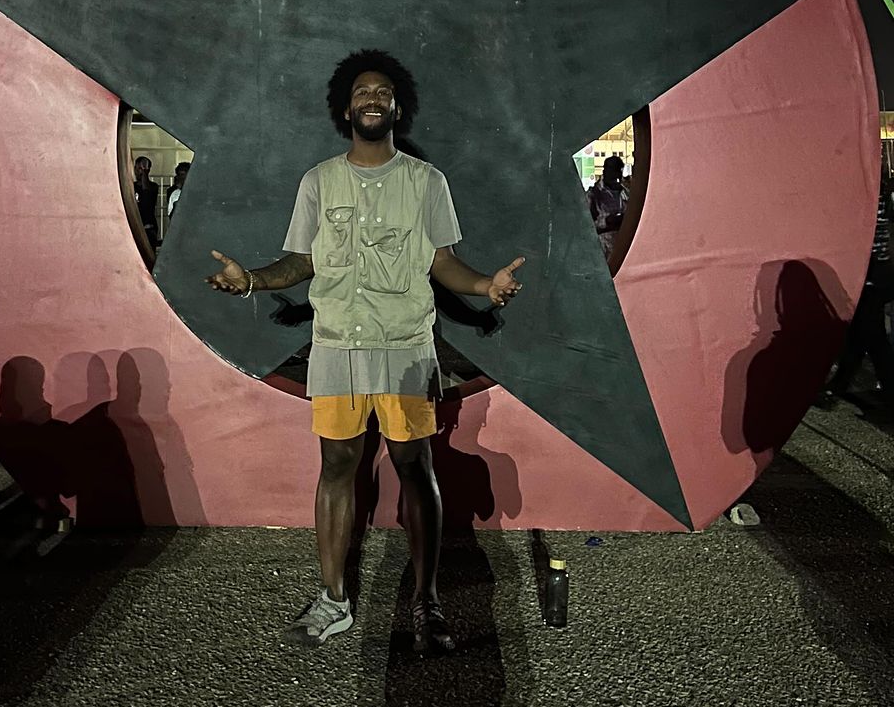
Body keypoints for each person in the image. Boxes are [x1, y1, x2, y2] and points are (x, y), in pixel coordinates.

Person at [205, 50, 524, 652]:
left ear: (398, 108)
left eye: (382, 92)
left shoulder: (426, 182)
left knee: (415, 467)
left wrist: (486, 286)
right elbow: (302, 261)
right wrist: (251, 280)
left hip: (404, 347)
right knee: (336, 468)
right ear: (345, 109)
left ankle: (427, 602)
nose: (371, 99)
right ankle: (333, 601)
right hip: (335, 348)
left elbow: (442, 262)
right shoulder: (318, 181)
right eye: (361, 92)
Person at [820, 165, 894, 422]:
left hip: (871, 273)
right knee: (862, 335)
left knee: (872, 337)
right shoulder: (873, 186)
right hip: (876, 271)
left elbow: (861, 231)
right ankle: (837, 386)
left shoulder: (865, 189)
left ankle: (886, 394)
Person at [588, 153, 628, 261]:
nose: (616, 175)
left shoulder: (626, 193)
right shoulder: (594, 194)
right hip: (602, 249)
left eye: (618, 171)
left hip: (624, 247)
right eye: (612, 170)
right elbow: (587, 225)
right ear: (605, 171)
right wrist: (607, 221)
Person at [133, 154, 159, 249]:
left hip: (148, 228)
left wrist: (144, 173)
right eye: (138, 168)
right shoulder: (132, 186)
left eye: (142, 169)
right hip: (135, 226)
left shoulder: (153, 186)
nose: (139, 172)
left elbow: (147, 193)